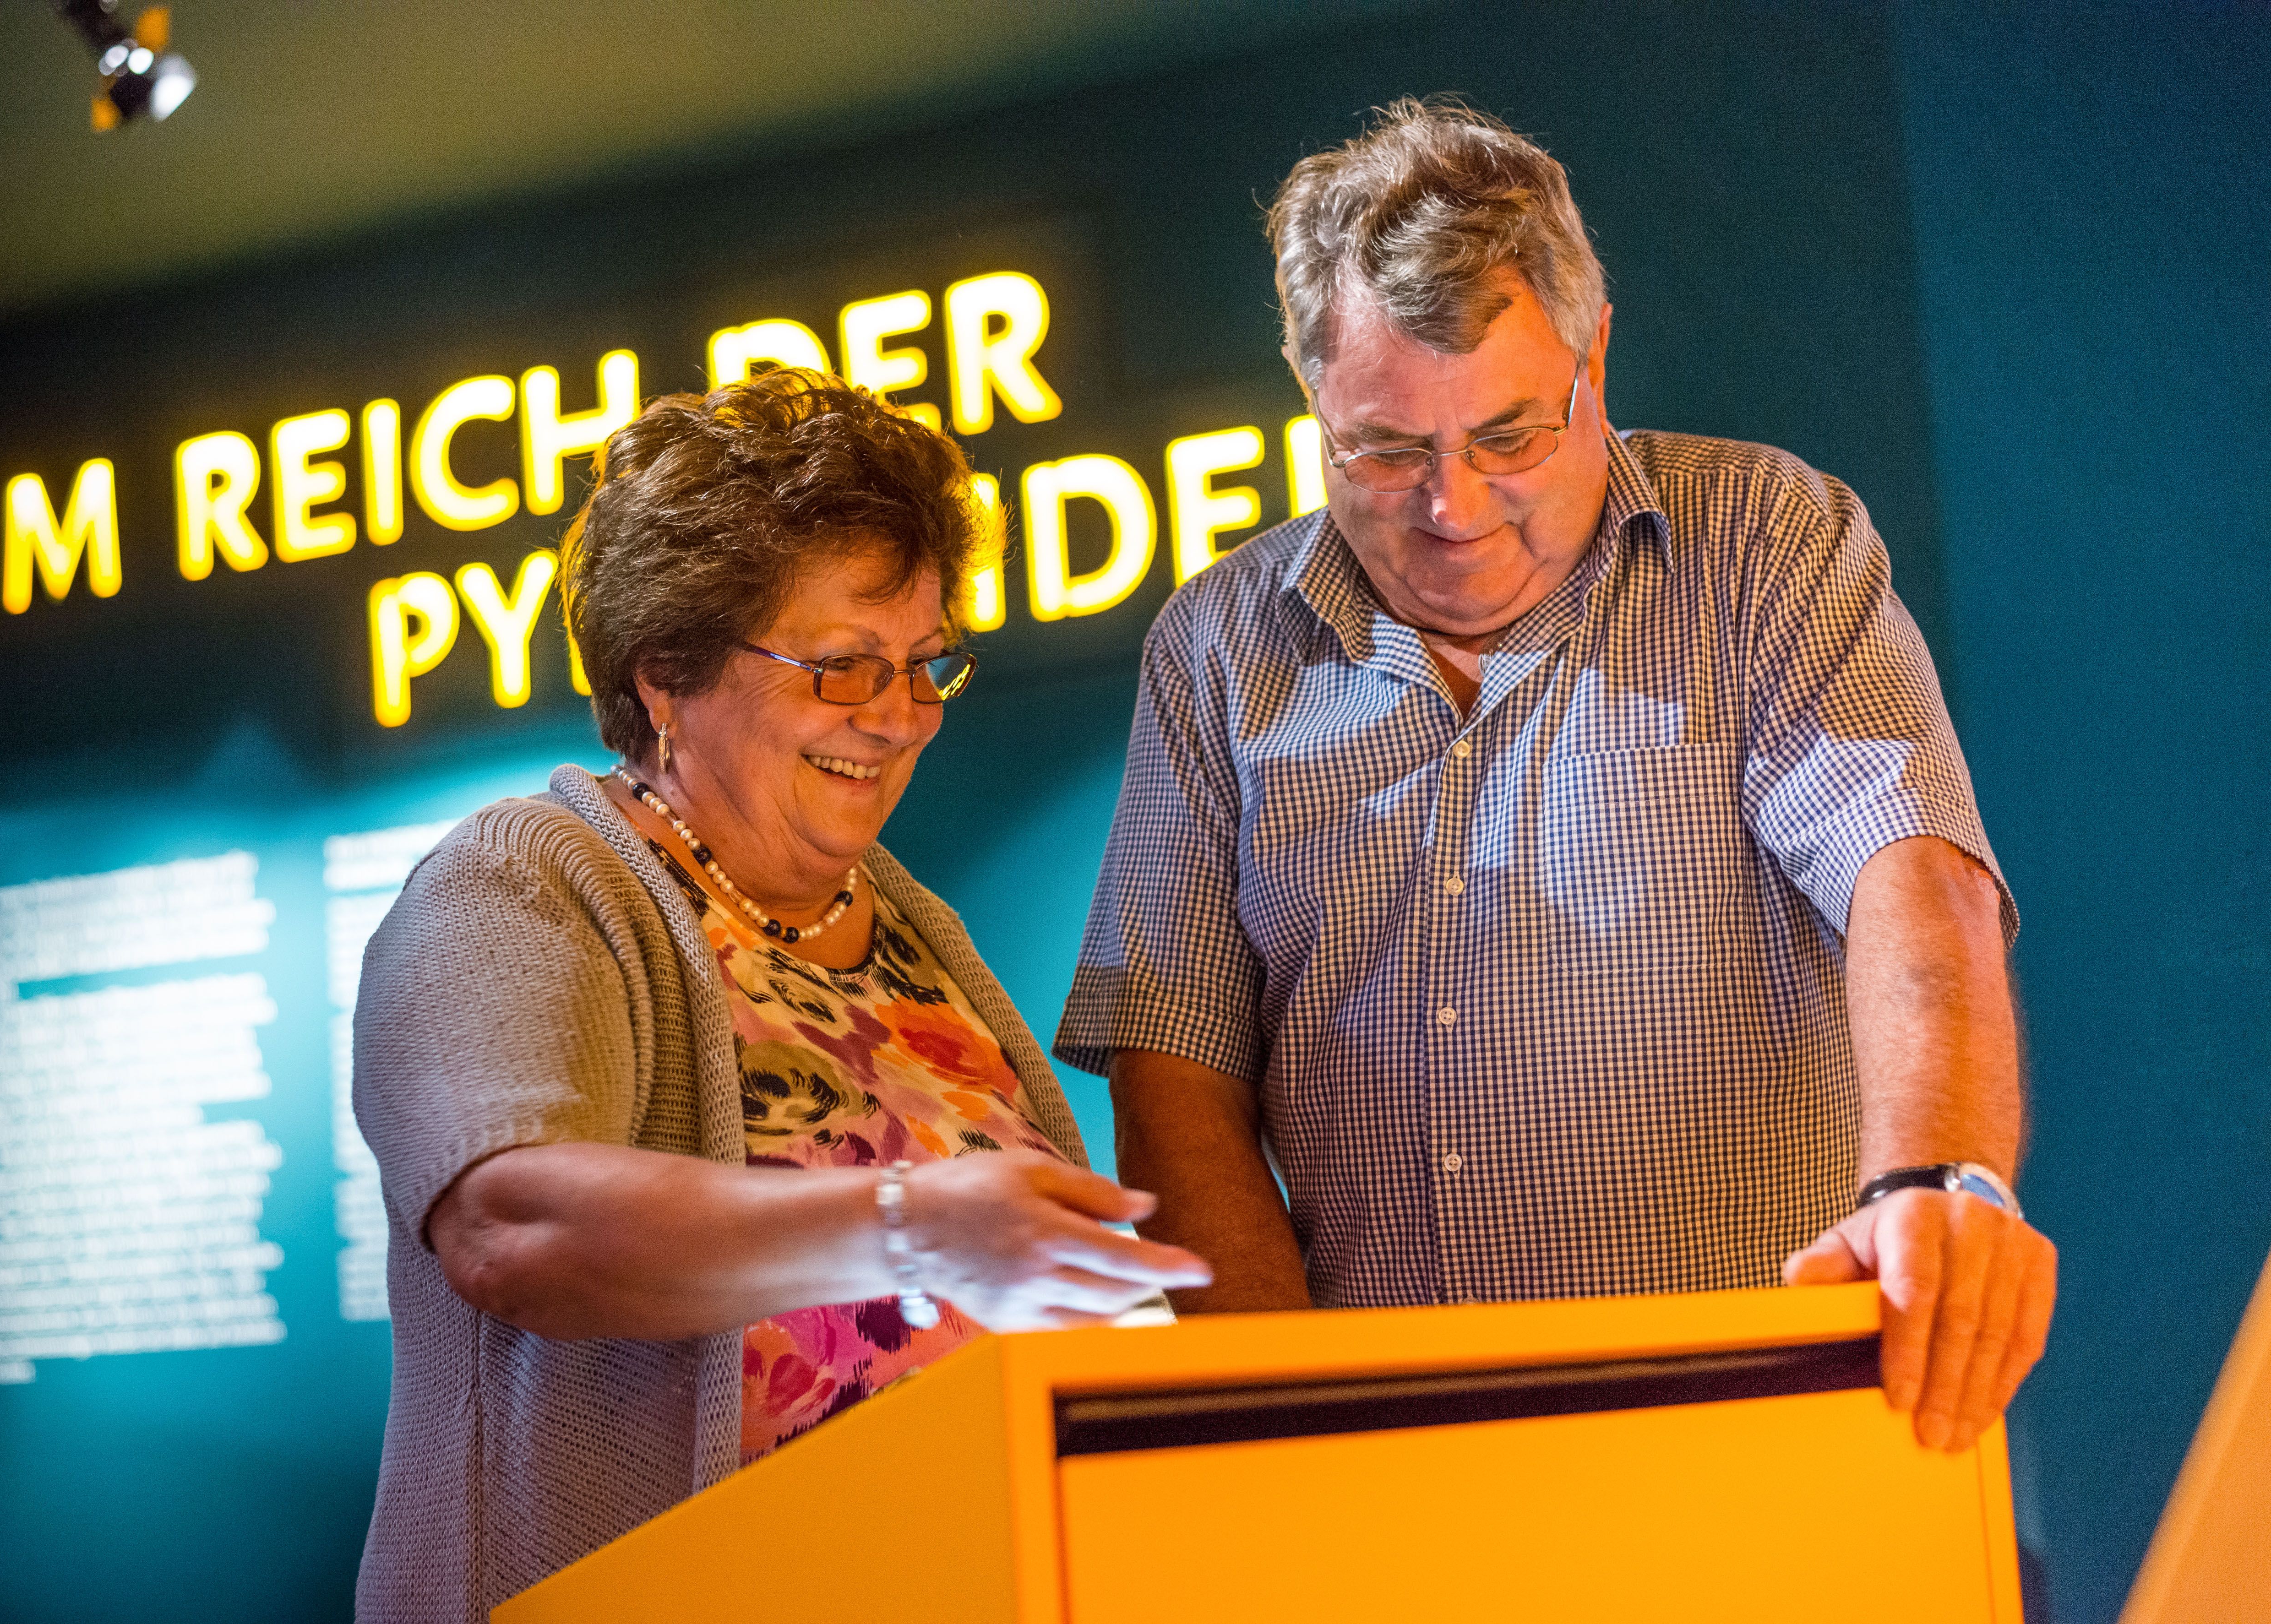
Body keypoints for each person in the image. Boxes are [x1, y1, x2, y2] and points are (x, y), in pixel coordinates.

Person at [1054, 100, 2055, 1456]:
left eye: (1509, 436)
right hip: (1400, 1464)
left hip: (1770, 1428)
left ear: (1592, 360)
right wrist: (1286, 1429)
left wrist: (1940, 1178)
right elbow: (1173, 1070)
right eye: (1385, 450)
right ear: (1309, 399)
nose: (1452, 507)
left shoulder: (1762, 542)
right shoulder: (1218, 645)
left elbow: (1912, 872)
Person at [351, 371, 1209, 1622]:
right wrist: (911, 1224)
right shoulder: (524, 882)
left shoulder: (915, 927)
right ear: (665, 673)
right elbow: (511, 1230)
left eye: (924, 666)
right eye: (841, 666)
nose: (901, 718)